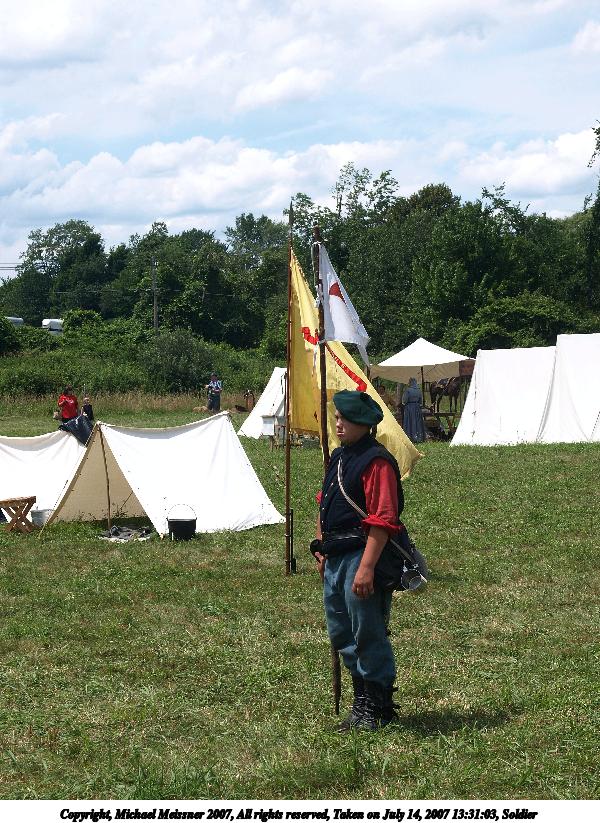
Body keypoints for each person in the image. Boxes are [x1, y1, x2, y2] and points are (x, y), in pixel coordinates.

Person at [313, 389, 404, 731]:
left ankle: (378, 708)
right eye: (337, 417)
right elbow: (325, 503)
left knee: (367, 632)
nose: (338, 424)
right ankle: (362, 703)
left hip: (361, 556)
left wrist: (365, 568)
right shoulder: (339, 457)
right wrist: (322, 547)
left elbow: (383, 519)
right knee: (342, 632)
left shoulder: (376, 462)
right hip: (336, 557)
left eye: (345, 419)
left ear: (363, 423)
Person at [401, 376, 426, 443]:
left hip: (409, 407)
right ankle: (419, 437)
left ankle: (410, 437)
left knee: (410, 421)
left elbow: (404, 400)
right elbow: (420, 401)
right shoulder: (419, 390)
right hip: (417, 407)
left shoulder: (408, 390)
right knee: (417, 422)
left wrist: (404, 404)